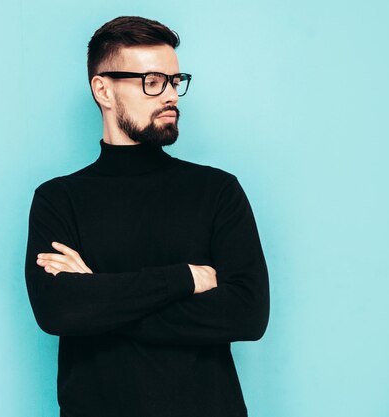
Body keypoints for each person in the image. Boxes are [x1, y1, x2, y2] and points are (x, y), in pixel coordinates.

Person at [24, 15, 269, 417]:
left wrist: (98, 296)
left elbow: (247, 313)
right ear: (103, 90)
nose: (169, 94)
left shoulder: (217, 191)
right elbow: (59, 311)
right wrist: (184, 278)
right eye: (151, 81)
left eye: (174, 81)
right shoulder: (58, 198)